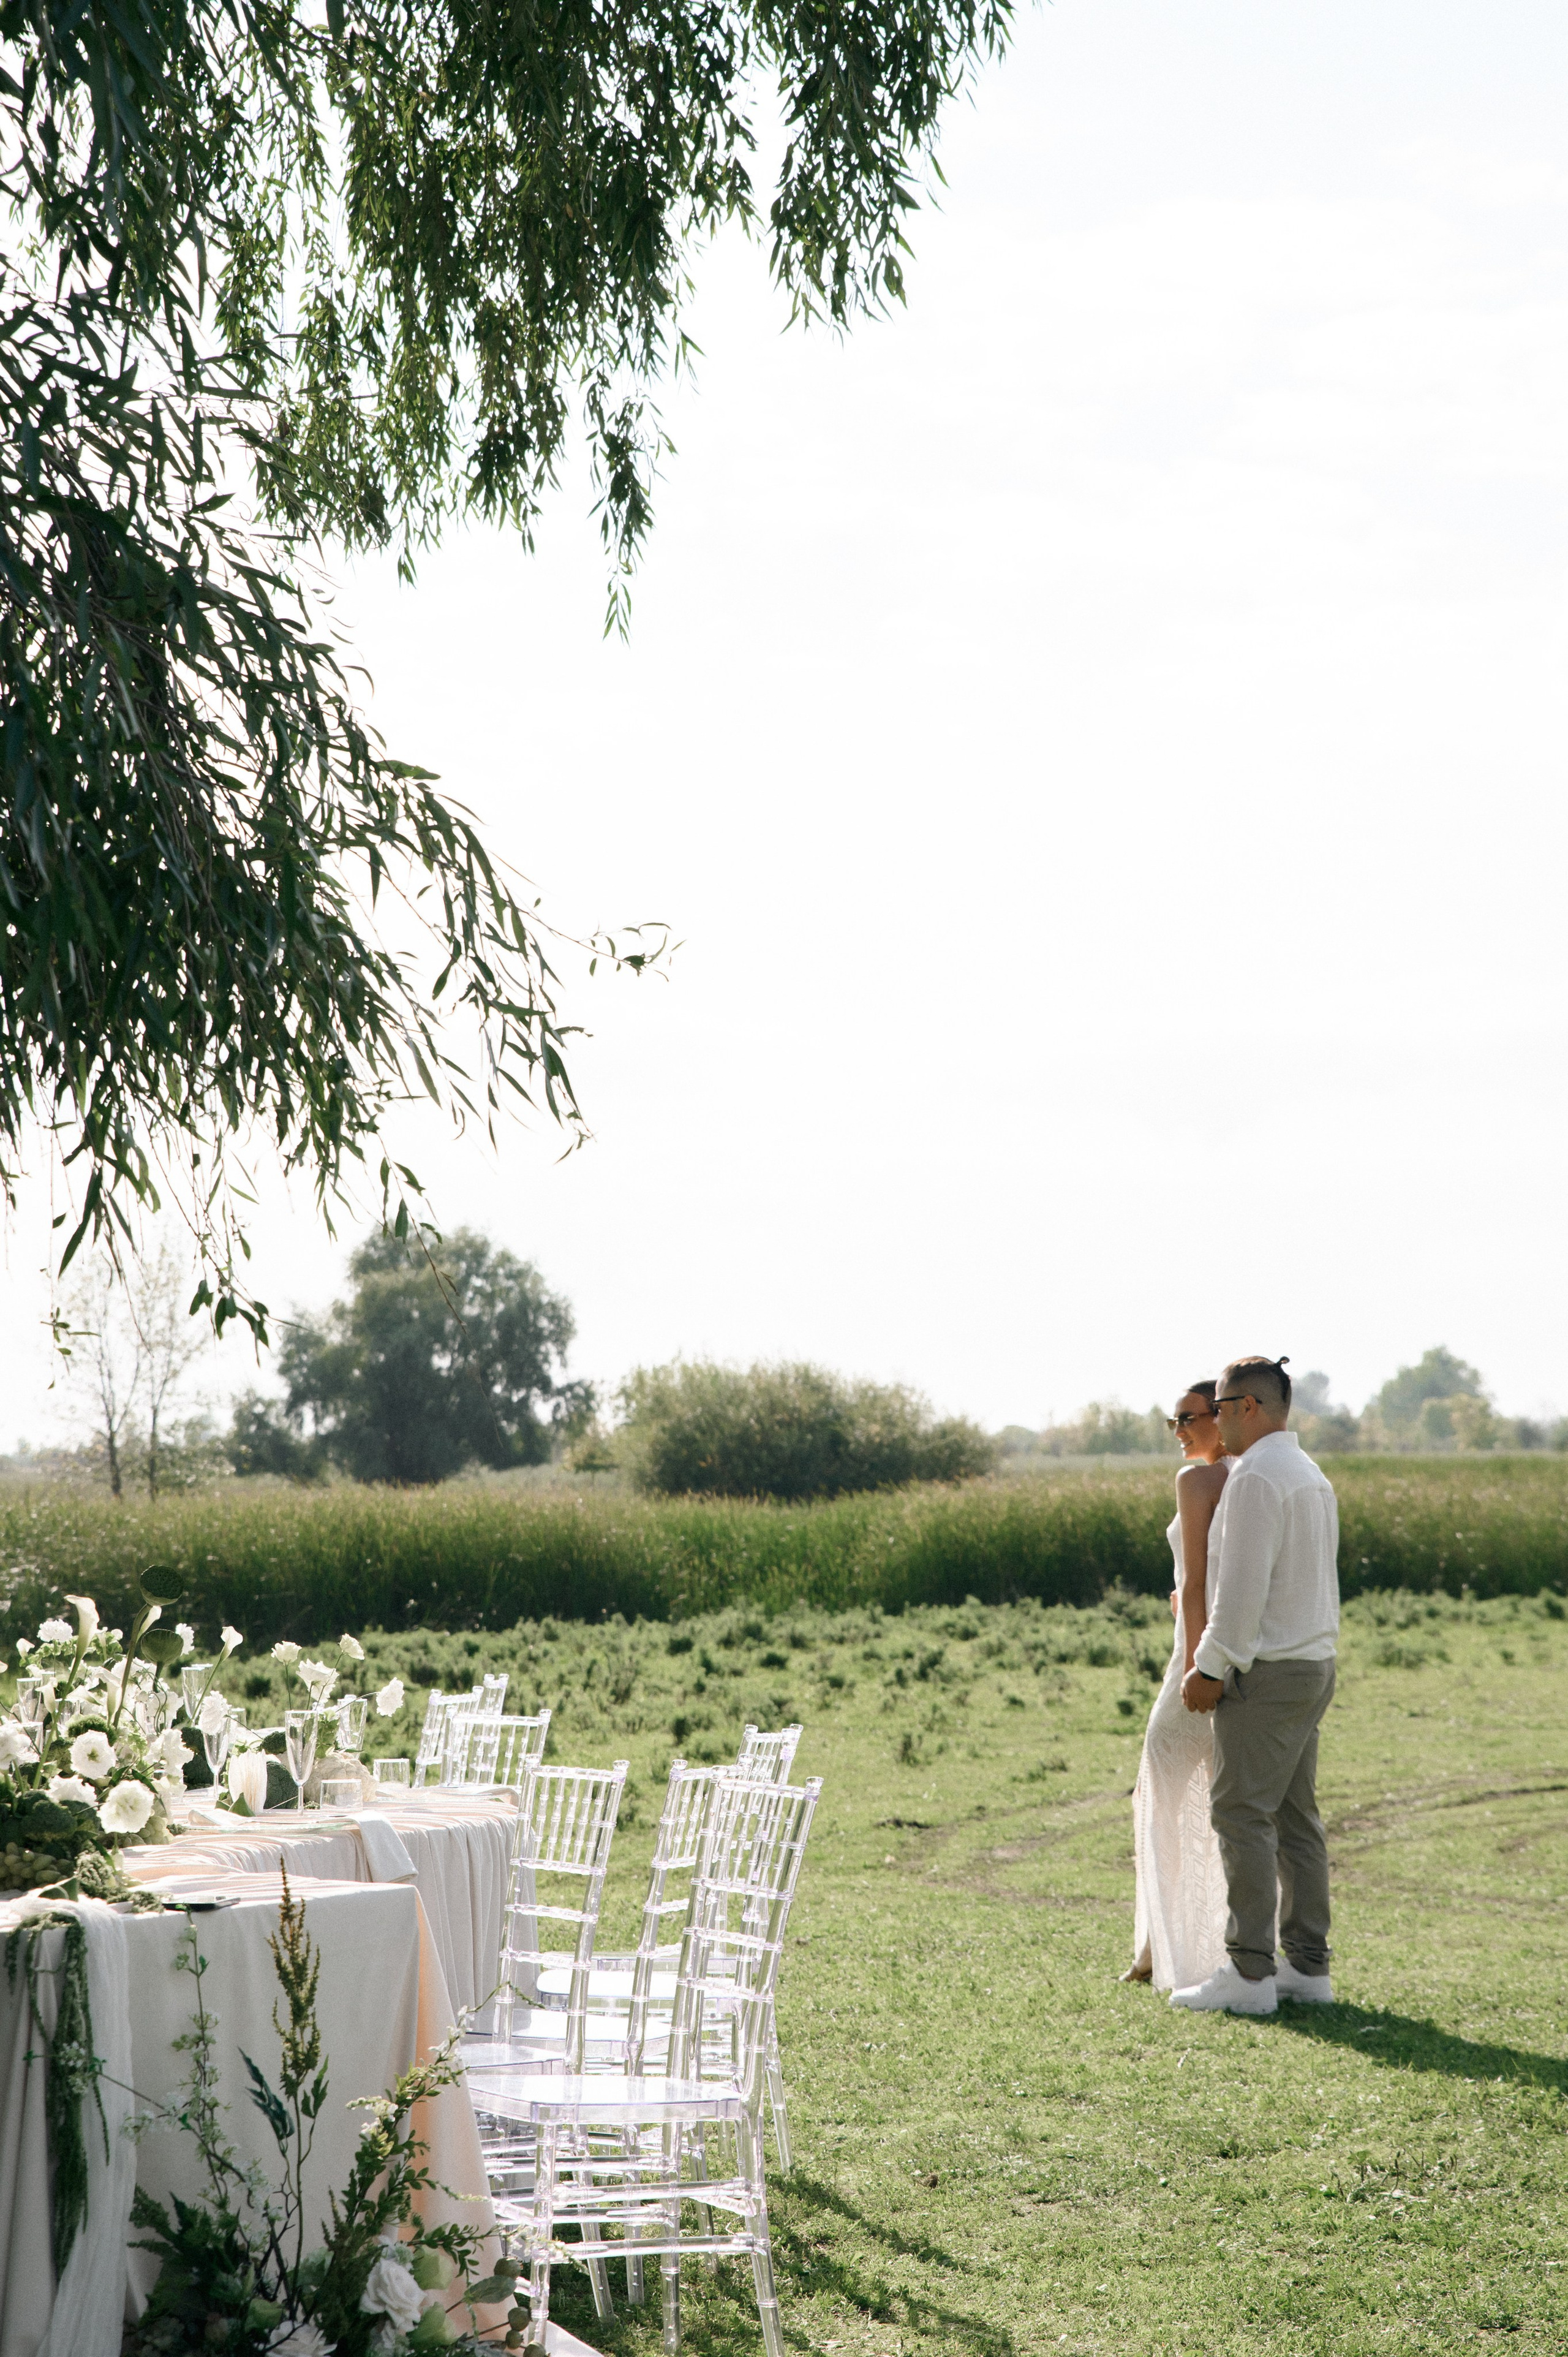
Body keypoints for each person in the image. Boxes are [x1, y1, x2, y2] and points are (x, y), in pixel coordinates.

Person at [1170, 1355, 1340, 2017]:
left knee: (1240, 1814)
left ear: (1248, 1407)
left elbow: (1239, 1593)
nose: (1212, 1417)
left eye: (1219, 1405)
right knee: (1297, 1819)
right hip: (1313, 1662)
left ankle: (1248, 1974)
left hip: (1266, 1671)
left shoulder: (1256, 1478)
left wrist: (1209, 1668)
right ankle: (1307, 1967)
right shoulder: (1309, 1472)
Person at [1123, 1380, 1231, 1991]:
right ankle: (1195, 1945)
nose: (1179, 1430)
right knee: (1224, 1807)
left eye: (1189, 1418)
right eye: (1173, 1421)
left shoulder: (1197, 1481)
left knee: (1158, 1799)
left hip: (1193, 1660)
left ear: (1223, 1415)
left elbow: (1195, 1582)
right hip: (1225, 1651)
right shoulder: (1250, 1478)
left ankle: (1159, 1952)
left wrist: (1193, 1664)